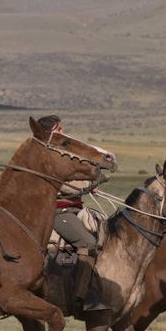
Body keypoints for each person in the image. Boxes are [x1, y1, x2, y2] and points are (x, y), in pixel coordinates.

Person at [37, 114, 108, 311]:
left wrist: (88, 183)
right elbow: (65, 186)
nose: (62, 132)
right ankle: (82, 295)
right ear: (48, 133)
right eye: (58, 129)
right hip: (58, 211)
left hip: (74, 208)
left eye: (61, 128)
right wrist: (88, 182)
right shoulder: (46, 156)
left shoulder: (61, 153)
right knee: (87, 242)